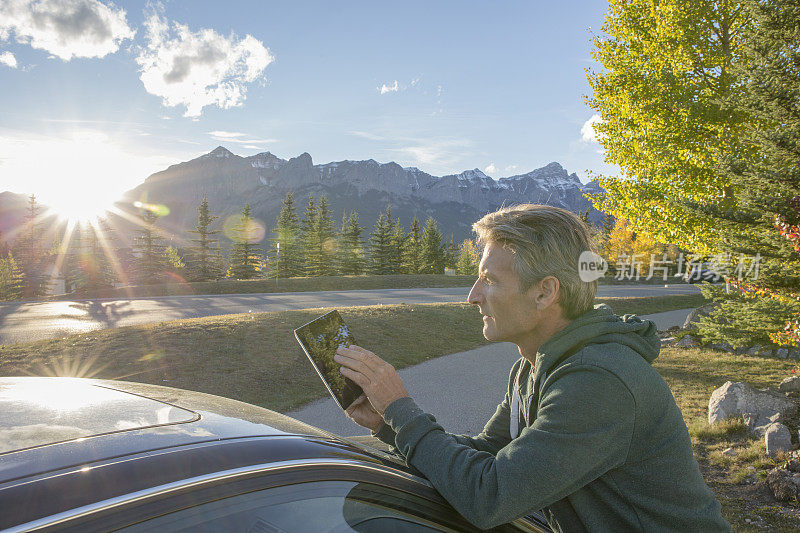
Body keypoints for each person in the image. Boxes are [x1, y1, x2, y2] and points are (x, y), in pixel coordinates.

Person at [334, 204, 730, 532]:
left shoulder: (599, 381)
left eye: (489, 280)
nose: (473, 296)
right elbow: (489, 454)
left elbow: (489, 495)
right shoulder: (533, 366)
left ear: (545, 292)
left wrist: (402, 409)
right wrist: (386, 422)